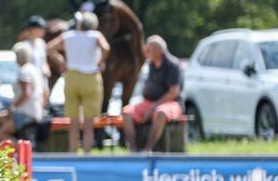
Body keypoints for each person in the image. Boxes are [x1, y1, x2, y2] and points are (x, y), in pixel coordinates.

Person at [47, 12, 110, 152]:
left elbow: (49, 48)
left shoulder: (68, 36)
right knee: (89, 123)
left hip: (72, 76)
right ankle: (87, 153)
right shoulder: (96, 36)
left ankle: (73, 152)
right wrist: (101, 62)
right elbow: (106, 48)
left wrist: (61, 61)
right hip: (91, 77)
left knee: (73, 122)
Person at [122, 35, 184, 153]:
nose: (145, 52)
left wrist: (154, 106)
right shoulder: (151, 64)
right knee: (127, 112)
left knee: (160, 112)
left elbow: (173, 92)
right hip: (149, 102)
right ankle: (133, 150)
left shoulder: (172, 65)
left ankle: (148, 149)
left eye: (148, 50)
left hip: (170, 102)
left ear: (158, 51)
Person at [23, 15, 51, 108]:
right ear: (33, 29)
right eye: (40, 28)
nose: (43, 31)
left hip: (41, 77)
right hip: (31, 79)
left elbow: (43, 60)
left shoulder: (41, 43)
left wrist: (46, 67)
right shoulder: (25, 45)